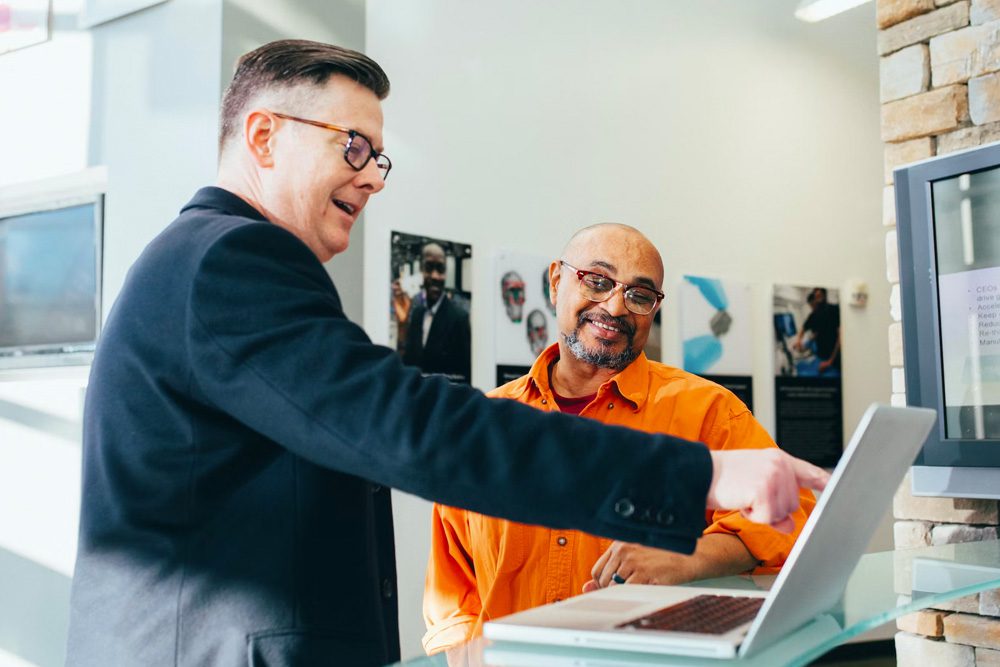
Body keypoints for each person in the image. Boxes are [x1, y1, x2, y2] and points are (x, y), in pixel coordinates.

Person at [65, 40, 828, 667]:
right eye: (353, 146)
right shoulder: (230, 262)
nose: (371, 175)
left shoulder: (211, 263)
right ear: (263, 136)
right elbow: (410, 426)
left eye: (379, 157)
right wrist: (705, 474)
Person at [423, 224, 817, 654]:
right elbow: (453, 593)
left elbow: (795, 516)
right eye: (597, 281)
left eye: (639, 295)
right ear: (556, 281)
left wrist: (688, 556)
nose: (615, 306)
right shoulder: (487, 424)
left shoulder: (708, 411)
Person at [393, 242, 472, 383]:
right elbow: (407, 365)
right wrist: (402, 325)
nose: (435, 276)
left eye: (440, 269)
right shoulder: (417, 314)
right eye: (429, 268)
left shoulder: (459, 318)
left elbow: (464, 377)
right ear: (421, 270)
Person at [794, 287, 841, 376]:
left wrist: (830, 361)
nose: (817, 299)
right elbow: (804, 328)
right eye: (816, 296)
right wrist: (798, 340)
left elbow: (840, 337)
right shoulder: (814, 315)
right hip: (821, 357)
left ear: (825, 295)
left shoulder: (834, 309)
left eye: (820, 295)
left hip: (834, 359)